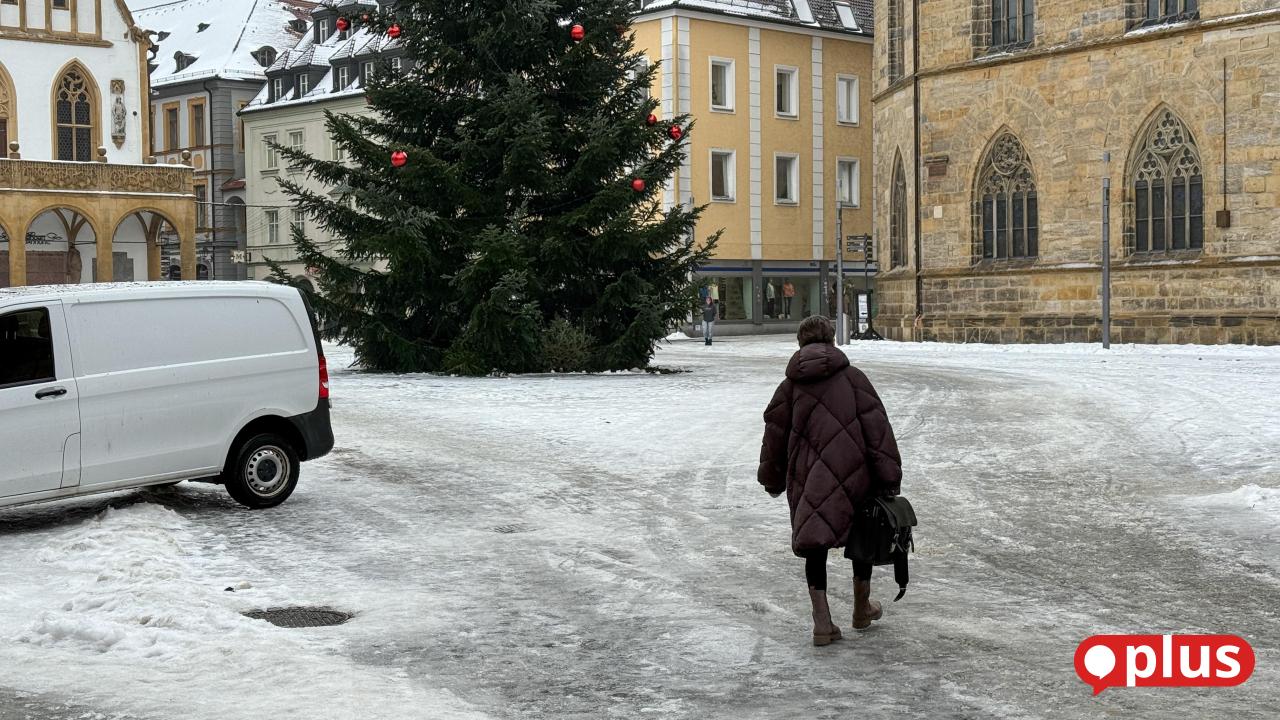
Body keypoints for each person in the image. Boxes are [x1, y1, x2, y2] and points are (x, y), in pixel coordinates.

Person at [757, 315, 902, 646]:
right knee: (862, 537)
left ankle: (822, 623)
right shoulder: (854, 379)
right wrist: (889, 476)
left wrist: (772, 479)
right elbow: (877, 430)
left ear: (800, 343)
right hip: (856, 474)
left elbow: (774, 436)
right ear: (831, 340)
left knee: (814, 546)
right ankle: (861, 608)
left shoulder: (788, 388)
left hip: (808, 480)